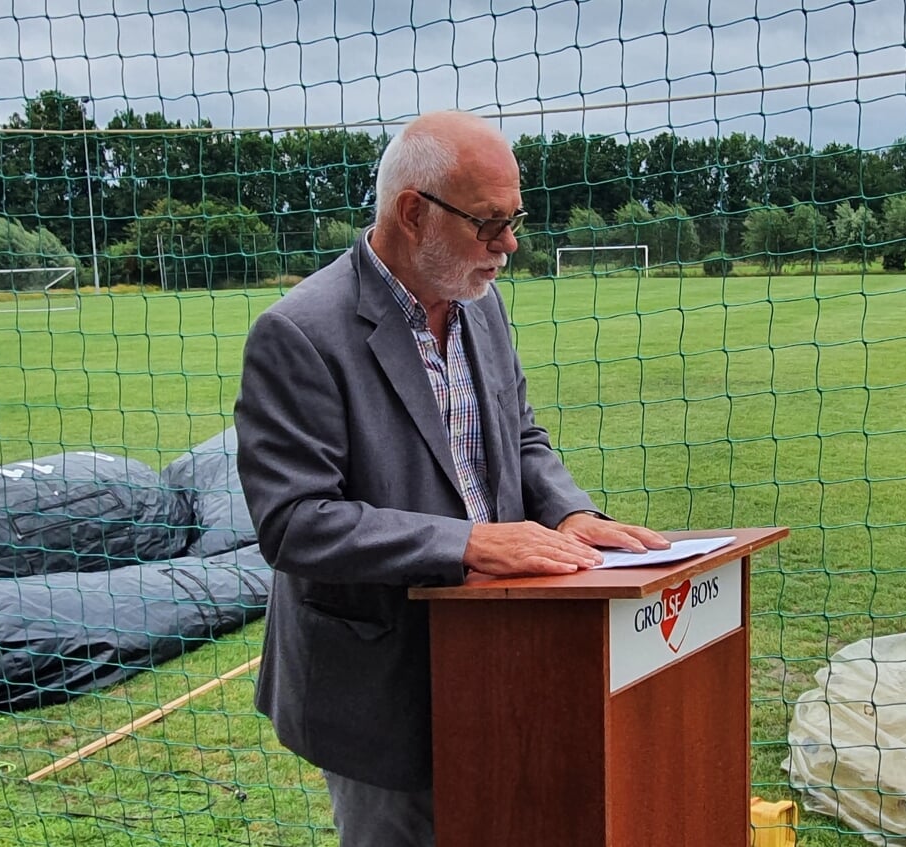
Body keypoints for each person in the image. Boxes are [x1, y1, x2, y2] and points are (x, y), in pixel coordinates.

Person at [233, 109, 668, 846]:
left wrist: (568, 514)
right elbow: (295, 522)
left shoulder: (480, 302)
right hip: (380, 682)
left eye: (514, 219)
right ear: (412, 212)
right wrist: (468, 542)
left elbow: (520, 435)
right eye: (489, 223)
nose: (509, 245)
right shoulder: (299, 333)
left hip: (498, 652)